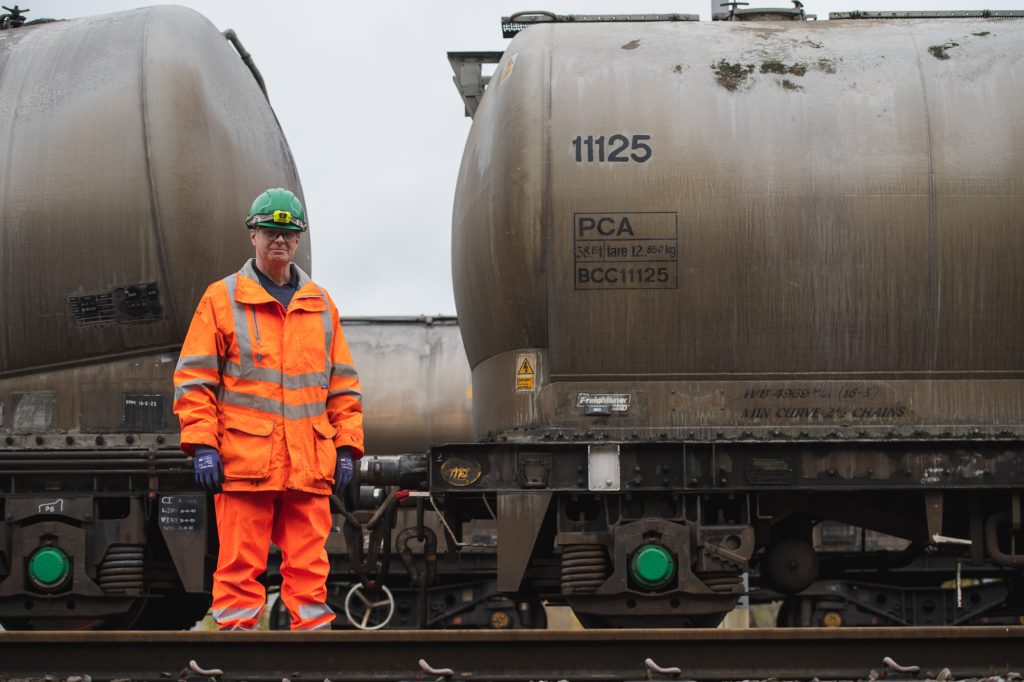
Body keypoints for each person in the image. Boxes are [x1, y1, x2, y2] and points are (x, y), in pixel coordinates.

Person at [173, 187, 363, 630]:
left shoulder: (320, 305)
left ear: (298, 240)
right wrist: (202, 444)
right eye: (271, 231)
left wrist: (348, 446)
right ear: (253, 236)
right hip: (244, 462)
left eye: (289, 233)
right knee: (238, 566)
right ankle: (236, 660)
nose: (280, 240)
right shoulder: (221, 299)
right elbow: (195, 378)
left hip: (307, 463)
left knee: (310, 571)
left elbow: (343, 386)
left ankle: (313, 656)